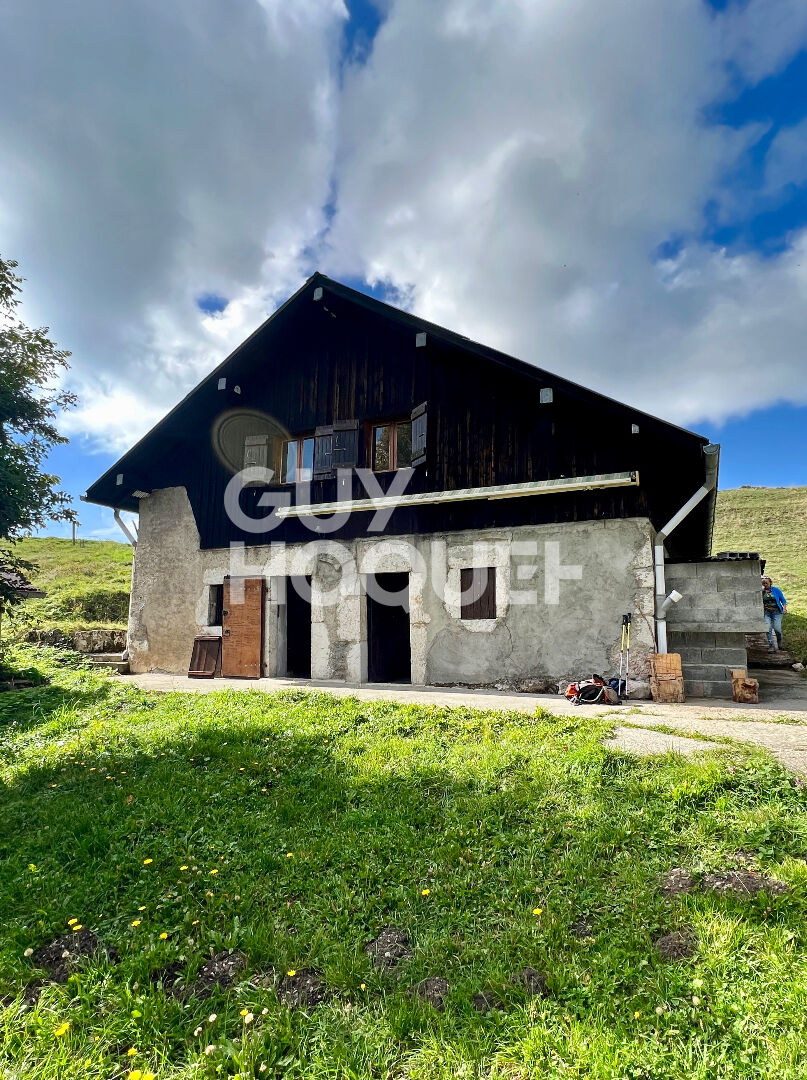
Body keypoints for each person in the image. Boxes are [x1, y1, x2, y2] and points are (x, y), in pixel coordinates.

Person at [762, 575, 787, 651]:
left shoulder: (776, 590)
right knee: (768, 628)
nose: (765, 585)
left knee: (777, 629)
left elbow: (783, 600)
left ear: (770, 583)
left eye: (766, 583)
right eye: (763, 583)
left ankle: (779, 642)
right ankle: (771, 645)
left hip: (777, 612)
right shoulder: (762, 592)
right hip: (767, 613)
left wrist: (784, 608)